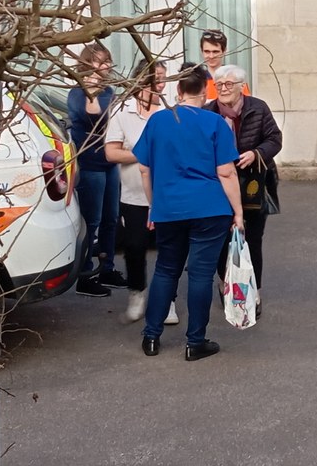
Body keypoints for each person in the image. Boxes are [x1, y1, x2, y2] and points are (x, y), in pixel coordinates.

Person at [133, 64, 244, 361]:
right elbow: (226, 172)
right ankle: (195, 342)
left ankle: (151, 336)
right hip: (209, 208)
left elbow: (144, 168)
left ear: (178, 90)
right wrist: (238, 212)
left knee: (166, 269)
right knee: (200, 274)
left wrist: (154, 205)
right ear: (204, 90)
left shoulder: (158, 121)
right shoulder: (215, 123)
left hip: (169, 207)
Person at [106, 59, 178, 326]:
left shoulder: (171, 111)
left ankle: (168, 301)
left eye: (163, 78)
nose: (161, 84)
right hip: (133, 196)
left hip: (168, 195)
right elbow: (111, 153)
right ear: (141, 80)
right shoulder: (122, 111)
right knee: (135, 247)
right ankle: (137, 293)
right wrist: (142, 154)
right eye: (156, 78)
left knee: (169, 248)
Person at [207, 64, 282, 318]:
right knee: (221, 238)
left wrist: (256, 153)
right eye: (219, 85)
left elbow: (275, 139)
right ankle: (224, 282)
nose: (224, 89)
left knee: (252, 239)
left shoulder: (258, 108)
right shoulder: (208, 112)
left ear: (241, 87)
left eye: (229, 84)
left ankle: (254, 291)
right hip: (219, 185)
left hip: (254, 185)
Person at [67, 43, 123, 297]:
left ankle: (106, 268)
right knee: (92, 221)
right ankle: (85, 275)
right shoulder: (77, 93)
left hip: (110, 162)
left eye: (107, 61)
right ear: (87, 64)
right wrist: (90, 91)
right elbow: (95, 115)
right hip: (90, 164)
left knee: (112, 218)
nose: (106, 66)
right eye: (100, 61)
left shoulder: (109, 91)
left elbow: (114, 119)